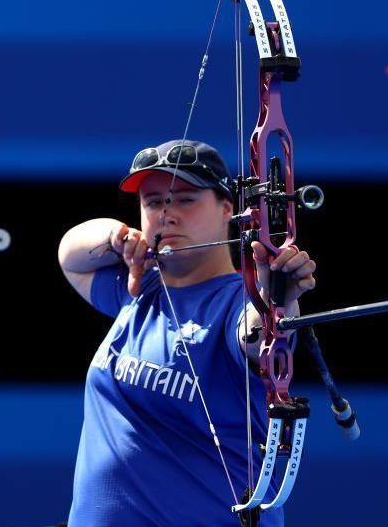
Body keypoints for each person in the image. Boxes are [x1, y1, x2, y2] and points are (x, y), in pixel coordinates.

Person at [57, 140, 317, 527]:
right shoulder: (139, 289)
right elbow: (70, 255)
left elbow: (255, 337)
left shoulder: (235, 305)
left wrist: (274, 295)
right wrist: (117, 237)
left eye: (186, 199)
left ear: (228, 208)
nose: (166, 215)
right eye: (153, 202)